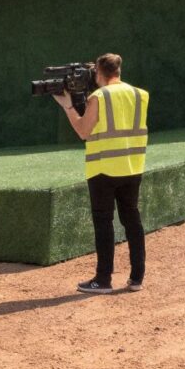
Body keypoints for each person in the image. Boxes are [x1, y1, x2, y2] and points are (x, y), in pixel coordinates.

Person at [57, 52, 149, 294]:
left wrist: (68, 106)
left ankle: (103, 279)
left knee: (103, 223)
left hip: (103, 170)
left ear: (99, 72)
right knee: (132, 219)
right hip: (132, 166)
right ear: (117, 71)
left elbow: (84, 131)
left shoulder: (99, 96)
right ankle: (137, 277)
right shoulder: (140, 94)